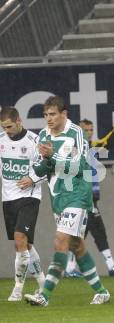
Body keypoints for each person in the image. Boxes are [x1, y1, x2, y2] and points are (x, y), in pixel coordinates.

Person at [24, 96, 110, 306]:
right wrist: (33, 176)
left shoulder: (76, 133)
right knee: (76, 245)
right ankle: (101, 291)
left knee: (60, 240)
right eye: (45, 115)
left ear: (64, 114)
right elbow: (44, 166)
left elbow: (80, 166)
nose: (48, 119)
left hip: (78, 193)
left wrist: (52, 156)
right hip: (58, 195)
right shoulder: (44, 135)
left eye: (52, 114)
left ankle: (44, 295)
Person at [64, 115, 114, 277]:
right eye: (85, 130)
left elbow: (108, 140)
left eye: (91, 130)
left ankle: (70, 268)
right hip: (83, 197)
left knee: (82, 232)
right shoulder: (73, 149)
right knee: (96, 230)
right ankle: (109, 266)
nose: (89, 133)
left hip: (90, 196)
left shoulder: (92, 146)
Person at [0, 106, 46, 301]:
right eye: (3, 127)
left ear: (19, 121)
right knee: (23, 245)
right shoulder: (1, 141)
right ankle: (43, 283)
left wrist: (32, 179)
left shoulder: (35, 141)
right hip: (8, 198)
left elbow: (47, 167)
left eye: (9, 126)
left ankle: (18, 289)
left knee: (20, 238)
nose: (6, 130)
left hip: (29, 197)